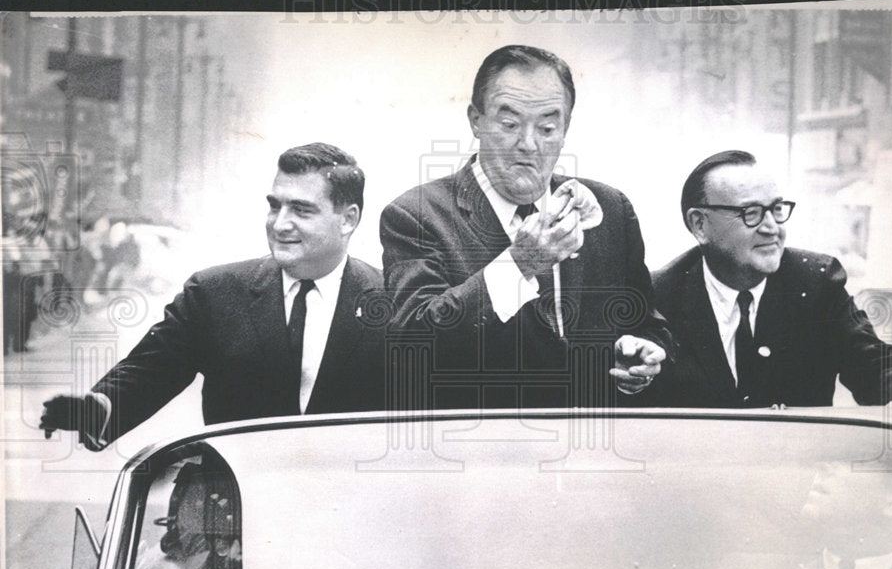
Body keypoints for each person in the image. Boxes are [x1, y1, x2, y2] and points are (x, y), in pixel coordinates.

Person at [40, 143, 387, 450]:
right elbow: (152, 370)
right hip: (238, 494)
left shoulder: (394, 302)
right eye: (275, 207)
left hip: (348, 497)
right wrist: (96, 409)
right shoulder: (215, 293)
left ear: (348, 220)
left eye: (302, 210)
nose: (280, 224)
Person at [380, 44, 669, 409]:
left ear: (565, 129)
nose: (529, 145)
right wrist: (517, 266)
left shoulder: (610, 207)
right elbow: (413, 345)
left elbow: (647, 324)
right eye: (510, 124)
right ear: (476, 121)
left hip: (592, 436)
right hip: (482, 437)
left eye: (547, 127)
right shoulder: (416, 215)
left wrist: (642, 358)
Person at [645, 150, 892, 409]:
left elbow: (875, 363)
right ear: (700, 224)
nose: (772, 228)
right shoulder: (659, 296)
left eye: (776, 209)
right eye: (751, 213)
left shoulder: (816, 283)